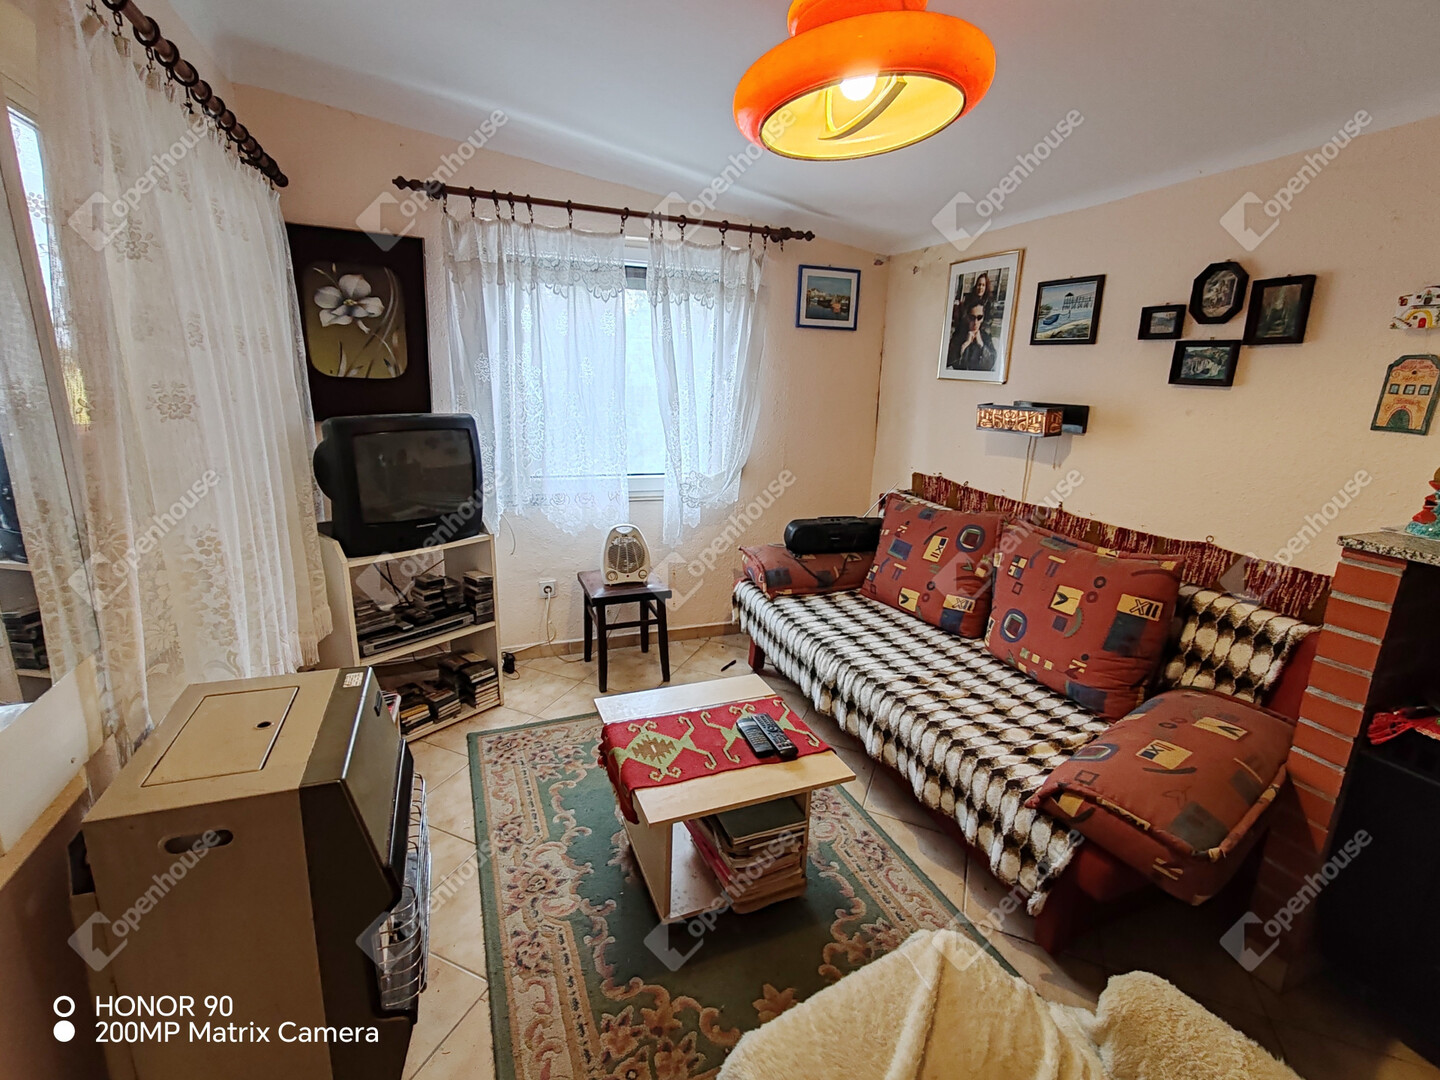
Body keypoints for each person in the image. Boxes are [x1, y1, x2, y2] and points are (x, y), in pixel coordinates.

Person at [947, 300, 997, 371]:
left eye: (979, 317)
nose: (975, 322)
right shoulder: (959, 335)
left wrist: (982, 346)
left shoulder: (986, 337)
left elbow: (991, 364)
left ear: (982, 319)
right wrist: (965, 345)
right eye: (972, 318)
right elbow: (948, 361)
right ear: (967, 318)